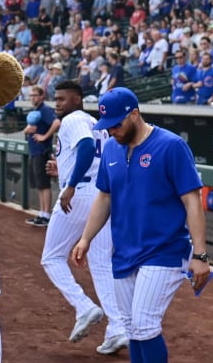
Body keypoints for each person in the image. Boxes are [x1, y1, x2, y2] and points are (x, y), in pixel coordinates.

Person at [71, 87, 211, 363]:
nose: (111, 131)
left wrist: (200, 254)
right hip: (124, 251)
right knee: (133, 328)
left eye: (116, 124)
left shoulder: (170, 145)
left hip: (164, 250)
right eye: (106, 126)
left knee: (146, 325)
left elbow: (192, 201)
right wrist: (86, 238)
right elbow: (105, 196)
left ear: (134, 114)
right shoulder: (111, 147)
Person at [41, 81, 128, 355]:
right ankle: (118, 328)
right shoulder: (94, 121)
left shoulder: (75, 119)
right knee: (101, 265)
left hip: (80, 194)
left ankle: (84, 306)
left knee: (52, 257)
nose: (58, 103)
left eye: (63, 99)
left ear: (77, 100)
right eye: (56, 99)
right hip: (101, 194)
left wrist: (69, 184)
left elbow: (88, 148)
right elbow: (90, 154)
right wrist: (63, 169)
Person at [24, 85, 60, 227]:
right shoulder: (36, 111)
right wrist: (27, 131)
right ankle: (41, 213)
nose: (32, 98)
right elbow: (30, 129)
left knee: (44, 184)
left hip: (42, 152)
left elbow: (57, 122)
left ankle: (46, 215)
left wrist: (45, 136)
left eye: (35, 95)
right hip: (34, 152)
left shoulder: (44, 109)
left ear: (41, 96)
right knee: (39, 185)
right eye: (31, 95)